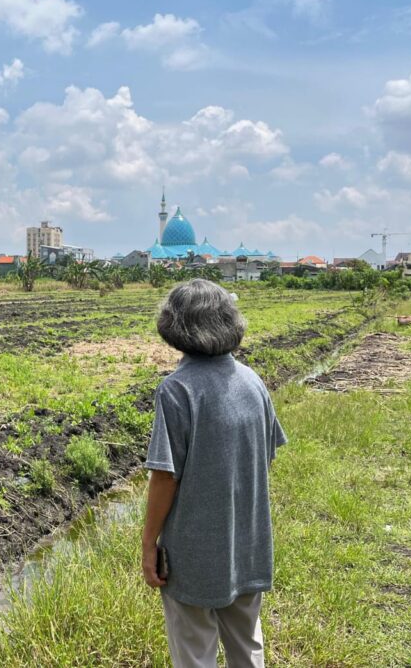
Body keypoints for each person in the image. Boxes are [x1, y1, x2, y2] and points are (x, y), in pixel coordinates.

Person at [141, 279, 287, 667]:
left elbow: (165, 477)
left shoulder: (177, 390)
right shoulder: (253, 383)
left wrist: (148, 544)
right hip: (248, 544)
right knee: (247, 645)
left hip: (192, 554)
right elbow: (265, 456)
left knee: (194, 652)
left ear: (174, 327)